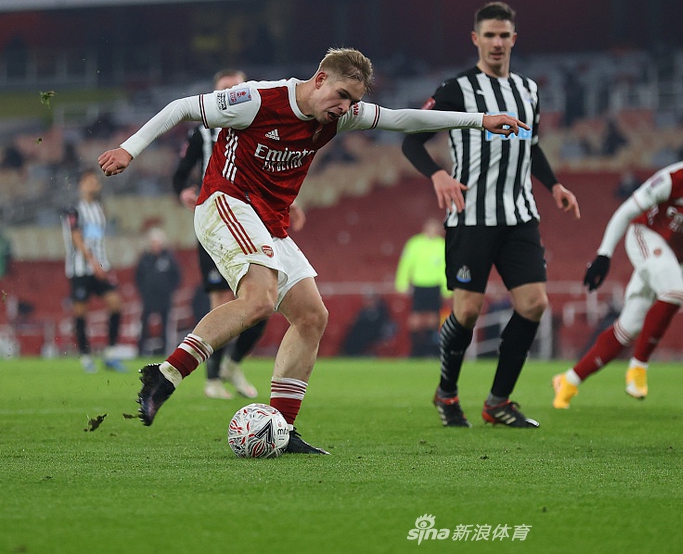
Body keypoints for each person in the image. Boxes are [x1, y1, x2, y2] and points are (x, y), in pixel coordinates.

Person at [98, 47, 527, 455]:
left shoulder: (341, 116)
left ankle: (281, 429)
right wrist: (129, 149)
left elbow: (402, 118)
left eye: (353, 100)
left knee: (312, 316)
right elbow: (181, 108)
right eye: (341, 95)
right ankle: (165, 375)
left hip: (270, 220)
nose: (346, 107)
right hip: (226, 201)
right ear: (319, 79)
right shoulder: (257, 99)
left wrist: (481, 120)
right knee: (260, 300)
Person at [401, 1, 580, 429]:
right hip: (471, 215)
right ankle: (447, 393)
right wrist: (438, 173)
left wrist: (553, 184)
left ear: (514, 39)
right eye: (490, 35)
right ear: (476, 39)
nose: (497, 42)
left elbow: (530, 145)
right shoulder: (456, 89)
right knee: (466, 311)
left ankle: (498, 401)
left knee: (534, 304)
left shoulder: (529, 91)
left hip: (519, 215)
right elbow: (411, 141)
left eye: (504, 35)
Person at [552, 130, 683, 408]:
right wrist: (604, 255)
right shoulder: (673, 179)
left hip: (675, 256)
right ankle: (638, 368)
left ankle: (569, 381)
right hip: (644, 236)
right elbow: (626, 211)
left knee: (629, 327)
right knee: (674, 291)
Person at [172, 69, 277, 400]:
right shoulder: (203, 131)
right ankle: (213, 378)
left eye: (236, 88)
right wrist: (184, 193)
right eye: (224, 89)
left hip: (255, 220)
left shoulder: (262, 124)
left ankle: (233, 363)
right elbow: (180, 174)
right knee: (221, 301)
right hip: (218, 224)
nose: (230, 94)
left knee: (264, 301)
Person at [61, 168, 126, 373]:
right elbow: (76, 237)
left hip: (100, 266)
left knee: (116, 305)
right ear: (81, 184)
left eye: (95, 181)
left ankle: (110, 355)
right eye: (89, 181)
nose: (93, 184)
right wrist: (92, 262)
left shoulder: (99, 208)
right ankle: (86, 357)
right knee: (81, 312)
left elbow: (97, 238)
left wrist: (101, 263)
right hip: (80, 269)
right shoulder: (74, 210)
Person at [394, 217, 449, 358]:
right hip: (419, 286)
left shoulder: (442, 245)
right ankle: (416, 351)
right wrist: (402, 284)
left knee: (433, 319)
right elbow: (405, 264)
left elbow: (446, 268)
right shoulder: (414, 244)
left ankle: (430, 350)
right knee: (416, 320)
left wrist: (446, 289)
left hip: (435, 286)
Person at [134, 227, 181, 357]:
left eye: (158, 242)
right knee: (144, 325)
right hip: (148, 298)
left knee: (165, 325)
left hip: (164, 298)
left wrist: (169, 290)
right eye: (153, 242)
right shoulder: (145, 258)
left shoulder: (169, 258)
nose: (155, 245)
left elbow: (176, 276)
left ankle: (164, 351)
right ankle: (141, 351)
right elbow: (138, 277)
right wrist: (144, 292)